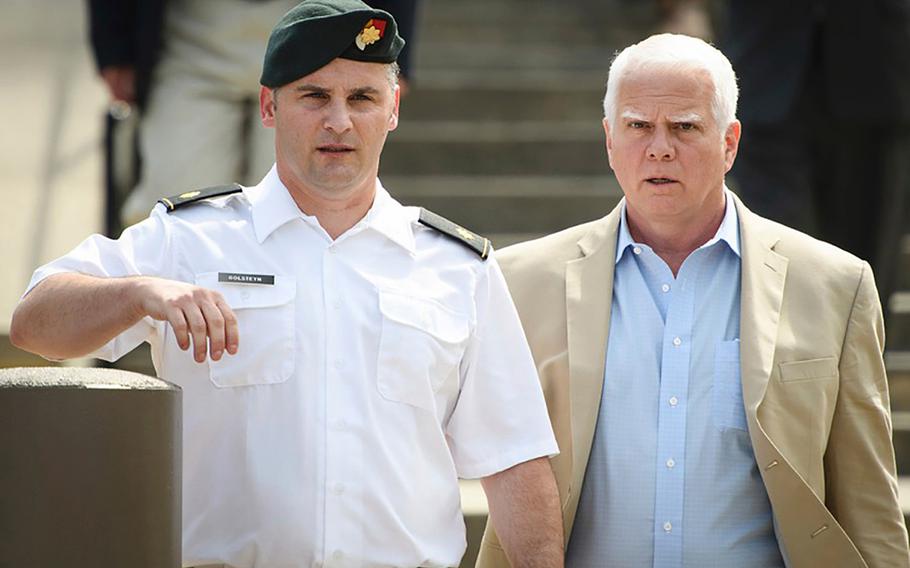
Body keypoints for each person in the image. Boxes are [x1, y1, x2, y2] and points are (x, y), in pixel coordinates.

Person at [13, 1, 564, 566]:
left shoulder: (457, 268)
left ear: (394, 108)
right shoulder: (189, 241)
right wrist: (139, 292)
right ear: (268, 106)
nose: (339, 121)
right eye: (314, 96)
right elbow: (34, 323)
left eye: (363, 98)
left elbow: (516, 461)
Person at [476, 34, 910, 567]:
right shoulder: (520, 282)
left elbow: (870, 505)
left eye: (684, 127)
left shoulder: (835, 286)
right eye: (638, 126)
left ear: (730, 142)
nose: (659, 147)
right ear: (609, 140)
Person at [87, 0, 420, 229]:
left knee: (308, 203)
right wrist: (114, 46)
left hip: (315, 31)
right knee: (174, 202)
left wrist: (395, 53)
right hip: (194, 31)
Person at [720, 0, 910, 307]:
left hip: (878, 73)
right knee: (780, 259)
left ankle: (859, 356)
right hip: (766, 68)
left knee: (864, 270)